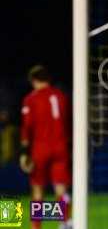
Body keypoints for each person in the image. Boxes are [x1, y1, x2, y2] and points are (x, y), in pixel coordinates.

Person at [19, 65, 71, 229]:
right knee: (61, 189)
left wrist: (24, 153)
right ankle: (64, 223)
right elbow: (68, 124)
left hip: (40, 149)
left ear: (33, 81)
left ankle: (36, 227)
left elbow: (27, 128)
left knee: (38, 191)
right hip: (61, 147)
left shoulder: (31, 99)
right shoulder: (61, 96)